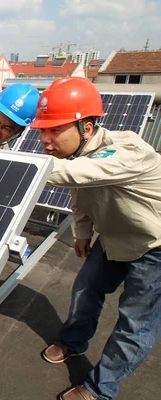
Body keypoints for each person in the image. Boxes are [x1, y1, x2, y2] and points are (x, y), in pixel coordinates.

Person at [32, 76, 161, 400]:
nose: (45, 140)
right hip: (114, 238)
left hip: (154, 246)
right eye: (42, 131)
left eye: (55, 130)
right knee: (85, 292)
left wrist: (9, 167)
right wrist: (83, 232)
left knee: (135, 325)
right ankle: (73, 343)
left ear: (86, 128)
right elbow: (81, 193)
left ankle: (99, 390)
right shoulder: (77, 156)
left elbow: (80, 175)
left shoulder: (127, 149)